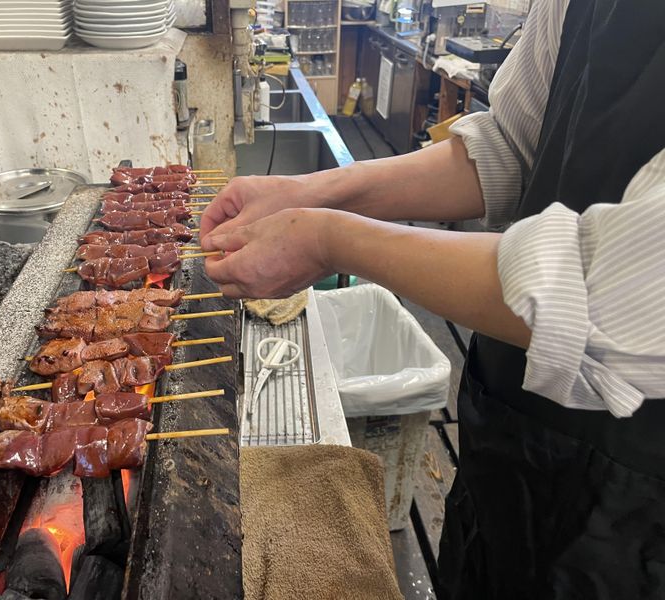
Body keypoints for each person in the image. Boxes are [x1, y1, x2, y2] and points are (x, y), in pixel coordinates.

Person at [199, 0, 665, 598]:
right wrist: (309, 193)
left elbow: (613, 295)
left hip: (640, 506)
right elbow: (511, 148)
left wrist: (326, 237)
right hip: (512, 433)